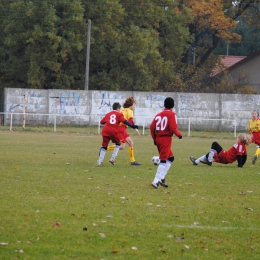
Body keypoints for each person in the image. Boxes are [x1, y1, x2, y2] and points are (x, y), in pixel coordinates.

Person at [150, 97, 182, 189]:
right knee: (164, 160)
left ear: (164, 105)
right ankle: (156, 181)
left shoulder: (158, 115)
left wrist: (154, 139)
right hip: (166, 139)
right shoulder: (172, 114)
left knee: (171, 158)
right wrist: (179, 134)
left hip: (159, 138)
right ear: (173, 106)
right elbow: (173, 127)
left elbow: (152, 127)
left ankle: (162, 178)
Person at [97, 102, 138, 166]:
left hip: (105, 131)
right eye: (120, 108)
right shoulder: (119, 114)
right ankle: (112, 158)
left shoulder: (108, 114)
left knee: (104, 146)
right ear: (118, 108)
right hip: (113, 131)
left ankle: (99, 162)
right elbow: (125, 121)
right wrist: (132, 126)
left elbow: (101, 122)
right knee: (118, 144)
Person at [107, 96, 141, 166]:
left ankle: (132, 161)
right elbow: (131, 122)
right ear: (131, 105)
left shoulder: (122, 110)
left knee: (131, 143)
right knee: (122, 146)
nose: (134, 106)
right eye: (134, 105)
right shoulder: (130, 111)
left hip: (121, 129)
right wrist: (136, 129)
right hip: (121, 129)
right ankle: (105, 149)